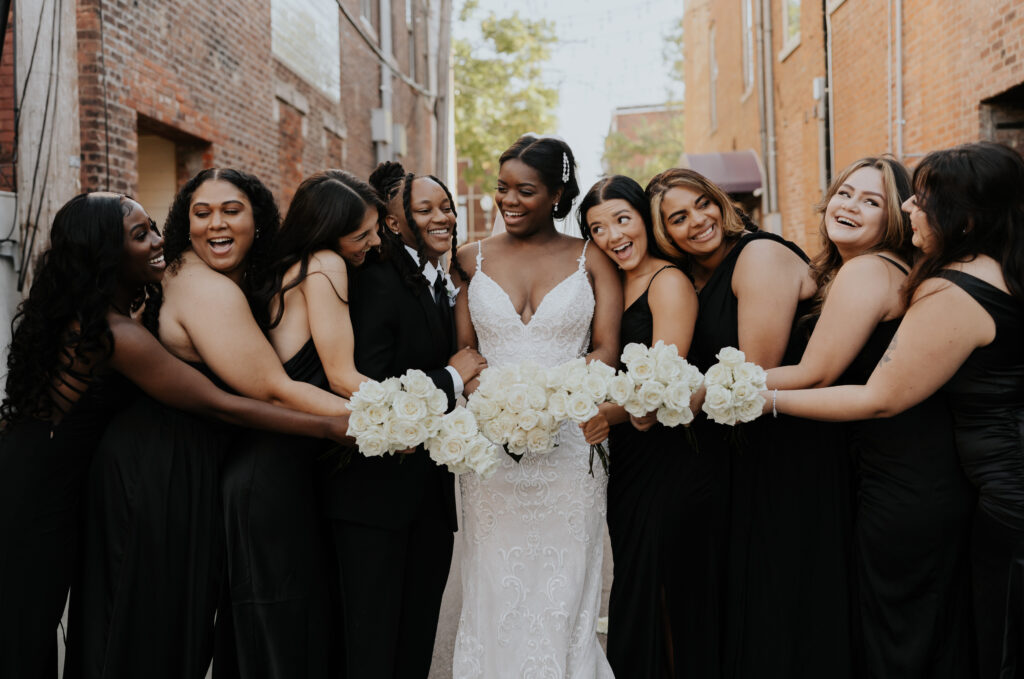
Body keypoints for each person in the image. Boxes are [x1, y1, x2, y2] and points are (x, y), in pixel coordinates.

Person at [0, 192, 349, 679]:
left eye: (153, 228)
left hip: (42, 473)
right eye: (141, 235)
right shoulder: (114, 333)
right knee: (21, 632)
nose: (160, 242)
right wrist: (331, 426)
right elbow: (217, 403)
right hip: (35, 495)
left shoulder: (103, 310)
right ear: (105, 254)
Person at [770, 141, 1024, 679]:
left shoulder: (952, 290)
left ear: (966, 217)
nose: (909, 205)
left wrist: (755, 399)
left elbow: (879, 398)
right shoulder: (999, 268)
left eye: (923, 199)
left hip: (999, 492)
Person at [646, 168, 852, 678]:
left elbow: (751, 375)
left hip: (788, 445)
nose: (698, 220)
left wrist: (679, 397)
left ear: (719, 200)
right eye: (678, 217)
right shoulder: (697, 276)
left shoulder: (757, 256)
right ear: (664, 234)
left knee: (785, 589)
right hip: (746, 451)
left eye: (702, 203)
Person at [450, 134, 621, 678]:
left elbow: (606, 348)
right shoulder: (469, 257)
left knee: (565, 576)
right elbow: (464, 351)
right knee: (494, 577)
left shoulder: (591, 257)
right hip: (492, 452)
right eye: (502, 189)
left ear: (556, 194)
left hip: (571, 447)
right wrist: (489, 399)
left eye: (526, 190)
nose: (509, 200)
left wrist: (561, 400)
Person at [321, 161, 486, 679]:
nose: (443, 218)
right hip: (375, 501)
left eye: (446, 207)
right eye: (425, 210)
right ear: (393, 223)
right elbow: (365, 386)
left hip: (428, 500)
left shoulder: (442, 279)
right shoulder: (377, 281)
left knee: (415, 641)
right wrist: (451, 377)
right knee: (372, 646)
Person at [218, 170, 382, 678]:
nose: (374, 243)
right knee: (285, 625)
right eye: (363, 234)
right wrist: (418, 415)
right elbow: (340, 376)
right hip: (276, 477)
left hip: (267, 469)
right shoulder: (324, 264)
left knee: (271, 624)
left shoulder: (283, 268)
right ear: (329, 232)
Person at [580, 175, 728, 678]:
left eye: (622, 219)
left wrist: (603, 412)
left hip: (669, 456)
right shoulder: (607, 282)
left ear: (645, 219)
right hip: (627, 458)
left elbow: (668, 385)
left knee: (661, 584)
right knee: (637, 580)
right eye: (597, 228)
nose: (612, 236)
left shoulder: (669, 281)